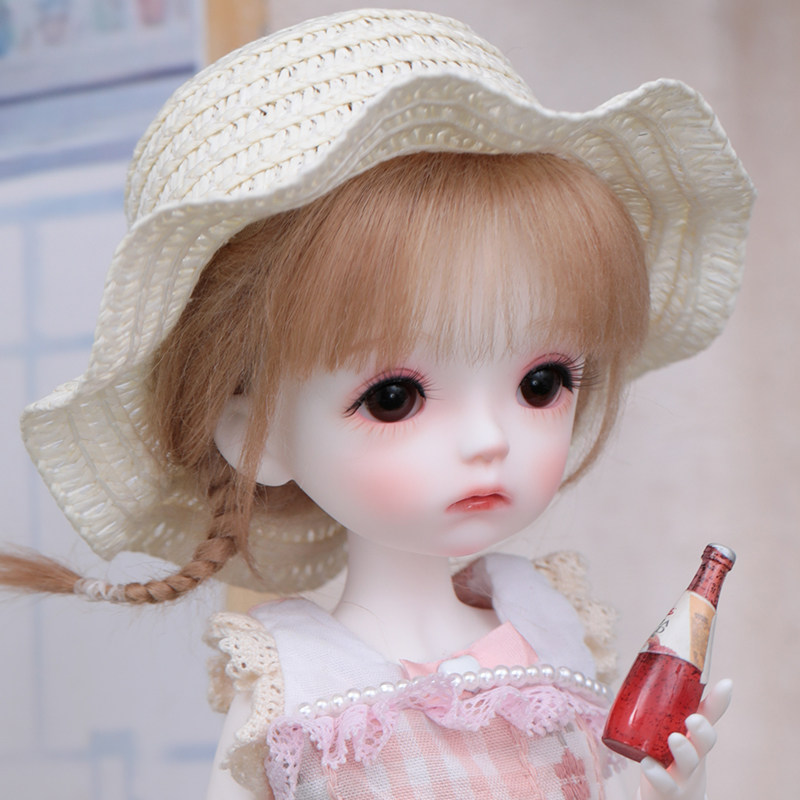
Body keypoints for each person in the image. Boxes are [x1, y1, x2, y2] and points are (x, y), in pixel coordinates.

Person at [0, 9, 754, 800]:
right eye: (394, 398)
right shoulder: (299, 685)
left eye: (542, 383)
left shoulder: (551, 630)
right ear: (256, 436)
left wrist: (661, 790)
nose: (488, 440)